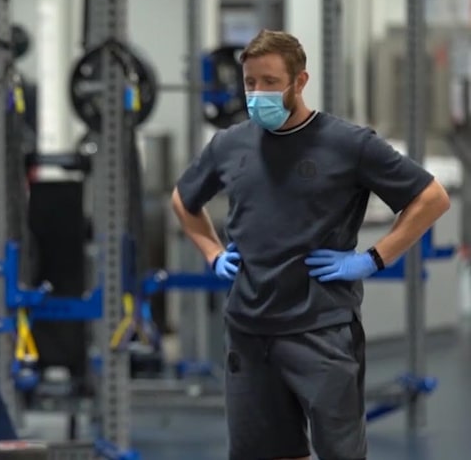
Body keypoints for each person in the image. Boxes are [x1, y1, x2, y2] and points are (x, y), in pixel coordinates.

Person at [171, 29, 451, 460]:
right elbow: (183, 200)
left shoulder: (348, 144)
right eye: (250, 83)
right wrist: (211, 253)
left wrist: (372, 259)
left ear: (300, 81)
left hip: (320, 330)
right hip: (249, 330)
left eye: (270, 82)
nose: (257, 93)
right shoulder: (229, 145)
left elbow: (431, 198)